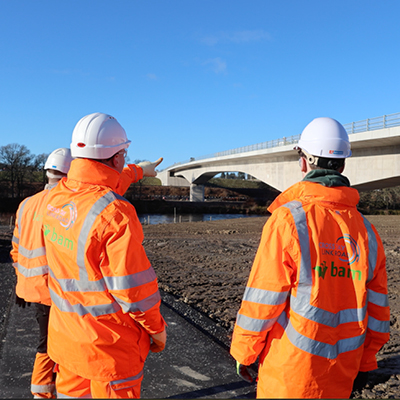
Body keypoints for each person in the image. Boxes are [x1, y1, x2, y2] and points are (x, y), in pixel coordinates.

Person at [230, 117, 390, 399]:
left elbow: (263, 298)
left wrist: (245, 352)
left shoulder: (289, 221)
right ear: (343, 164)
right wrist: (365, 361)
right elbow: (378, 311)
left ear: (304, 162)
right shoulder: (367, 231)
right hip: (342, 372)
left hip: (290, 374)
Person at [42, 112, 166, 399]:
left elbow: (101, 182)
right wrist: (157, 331)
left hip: (67, 342)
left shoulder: (57, 198)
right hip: (109, 352)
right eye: (123, 153)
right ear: (116, 157)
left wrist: (138, 170)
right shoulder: (115, 214)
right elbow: (135, 291)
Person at [11, 148, 73, 398]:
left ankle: (44, 392)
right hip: (57, 292)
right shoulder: (67, 205)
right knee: (53, 346)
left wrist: (20, 284)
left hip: (33, 288)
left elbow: (17, 248)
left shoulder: (26, 204)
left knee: (46, 343)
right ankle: (43, 393)